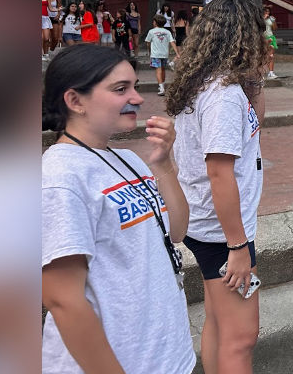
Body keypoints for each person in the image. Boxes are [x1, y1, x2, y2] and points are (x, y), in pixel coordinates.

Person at [41, 44, 194, 373]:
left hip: (165, 354)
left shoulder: (127, 159)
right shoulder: (59, 178)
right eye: (120, 89)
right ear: (75, 100)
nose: (137, 98)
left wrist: (164, 165)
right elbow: (63, 300)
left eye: (134, 87)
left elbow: (178, 230)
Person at [165, 0, 268, 374]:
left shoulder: (205, 83)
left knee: (219, 320)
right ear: (246, 37)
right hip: (222, 231)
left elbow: (255, 124)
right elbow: (219, 173)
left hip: (206, 221)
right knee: (241, 337)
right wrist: (237, 246)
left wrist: (256, 81)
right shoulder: (223, 96)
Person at [145, 14, 181, 96]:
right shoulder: (167, 32)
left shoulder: (151, 31)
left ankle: (161, 88)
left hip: (155, 54)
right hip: (165, 54)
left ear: (155, 22)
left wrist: (149, 51)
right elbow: (172, 42)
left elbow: (148, 43)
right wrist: (177, 53)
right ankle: (162, 85)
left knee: (158, 70)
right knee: (163, 70)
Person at [262, 6, 278, 79]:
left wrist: (273, 21)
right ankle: (261, 73)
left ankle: (271, 73)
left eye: (268, 11)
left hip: (270, 37)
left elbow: (275, 28)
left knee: (271, 55)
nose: (267, 12)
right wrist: (264, 19)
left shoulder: (270, 19)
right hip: (262, 38)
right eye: (265, 11)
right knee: (262, 55)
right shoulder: (259, 18)